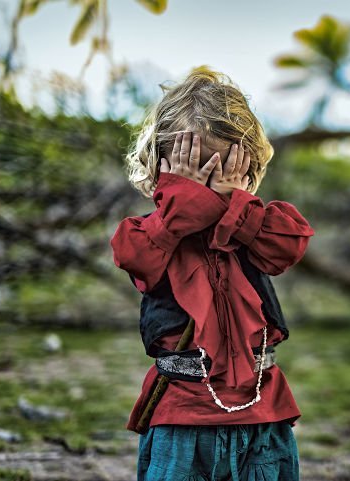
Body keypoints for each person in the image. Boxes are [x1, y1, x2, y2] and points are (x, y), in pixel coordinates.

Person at [109, 66, 315, 481]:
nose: (206, 187)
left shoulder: (257, 227)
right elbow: (135, 257)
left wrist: (233, 206)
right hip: (182, 420)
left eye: (221, 171)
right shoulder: (149, 235)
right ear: (159, 166)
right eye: (193, 170)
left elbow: (290, 244)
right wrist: (180, 207)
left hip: (262, 415)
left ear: (247, 170)